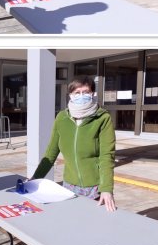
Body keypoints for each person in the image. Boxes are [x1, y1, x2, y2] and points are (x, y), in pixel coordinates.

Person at [31, 76, 117, 212]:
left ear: (92, 94)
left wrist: (106, 189)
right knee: (70, 222)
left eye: (86, 92)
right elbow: (51, 152)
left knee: (94, 226)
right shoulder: (61, 118)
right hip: (69, 186)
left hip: (94, 187)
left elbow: (107, 156)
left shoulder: (102, 118)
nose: (81, 95)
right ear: (70, 95)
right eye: (77, 92)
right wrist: (35, 178)